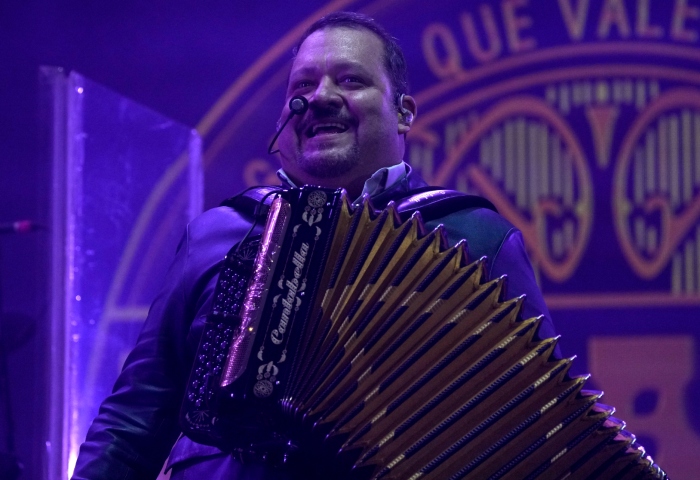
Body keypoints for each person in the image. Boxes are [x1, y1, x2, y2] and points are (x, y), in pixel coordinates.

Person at [72, 11, 558, 480]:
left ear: (404, 113)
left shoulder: (477, 239)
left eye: (350, 81)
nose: (320, 97)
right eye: (302, 86)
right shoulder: (217, 235)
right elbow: (133, 421)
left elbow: (543, 430)